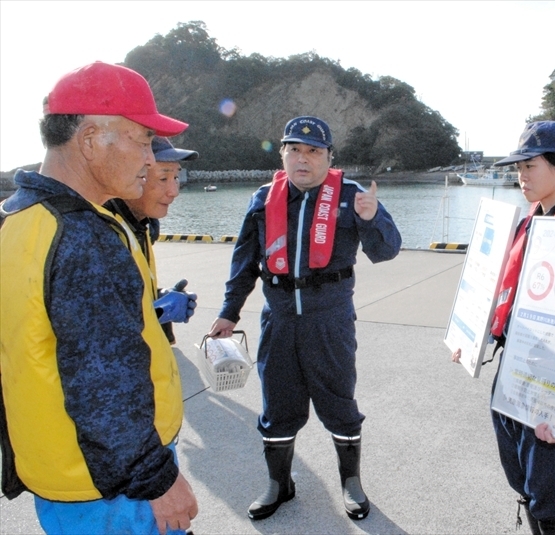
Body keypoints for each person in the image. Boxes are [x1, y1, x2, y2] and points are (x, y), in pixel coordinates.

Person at [0, 61, 198, 535]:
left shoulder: (17, 218)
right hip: (114, 489)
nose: (152, 160)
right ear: (90, 139)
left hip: (60, 474)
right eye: (143, 141)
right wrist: (159, 480)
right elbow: (102, 385)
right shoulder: (83, 238)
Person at [208, 115, 401, 521]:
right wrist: (229, 312)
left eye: (313, 151)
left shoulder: (351, 196)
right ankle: (280, 484)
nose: (303, 158)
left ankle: (351, 483)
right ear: (282, 154)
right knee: (277, 404)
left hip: (329, 322)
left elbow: (386, 252)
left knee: (340, 403)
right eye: (294, 149)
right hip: (278, 320)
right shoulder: (263, 199)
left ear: (329, 157)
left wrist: (374, 217)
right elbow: (244, 262)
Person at [453, 121, 555, 535]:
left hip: (551, 375)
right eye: (519, 166)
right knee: (518, 470)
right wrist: (470, 337)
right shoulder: (526, 220)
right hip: (513, 363)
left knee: (547, 484)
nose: (521, 175)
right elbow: (499, 288)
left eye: (530, 165)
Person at [105, 136, 200, 344]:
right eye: (163, 178)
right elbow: (100, 326)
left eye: (176, 177)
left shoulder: (142, 227)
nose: (174, 191)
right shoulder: (103, 236)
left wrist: (158, 297)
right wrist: (157, 311)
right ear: (132, 176)